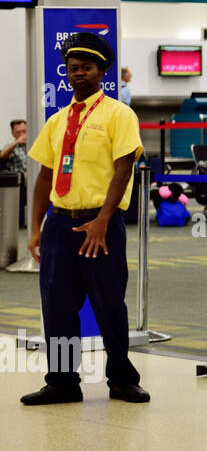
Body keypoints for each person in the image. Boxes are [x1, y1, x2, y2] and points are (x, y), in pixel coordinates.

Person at [20, 32, 148, 406]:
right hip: (60, 225)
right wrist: (36, 229)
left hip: (101, 224)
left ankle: (122, 380)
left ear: (101, 72)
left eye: (86, 68)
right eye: (73, 68)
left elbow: (124, 168)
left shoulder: (118, 114)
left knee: (109, 304)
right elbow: (45, 176)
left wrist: (103, 219)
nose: (78, 74)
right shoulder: (58, 120)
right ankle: (62, 382)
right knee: (57, 307)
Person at [2, 118, 27, 227]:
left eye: (24, 131)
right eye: (18, 132)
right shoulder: (11, 147)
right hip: (20, 182)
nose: (22, 134)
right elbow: (2, 156)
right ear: (13, 134)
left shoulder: (33, 144)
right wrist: (17, 142)